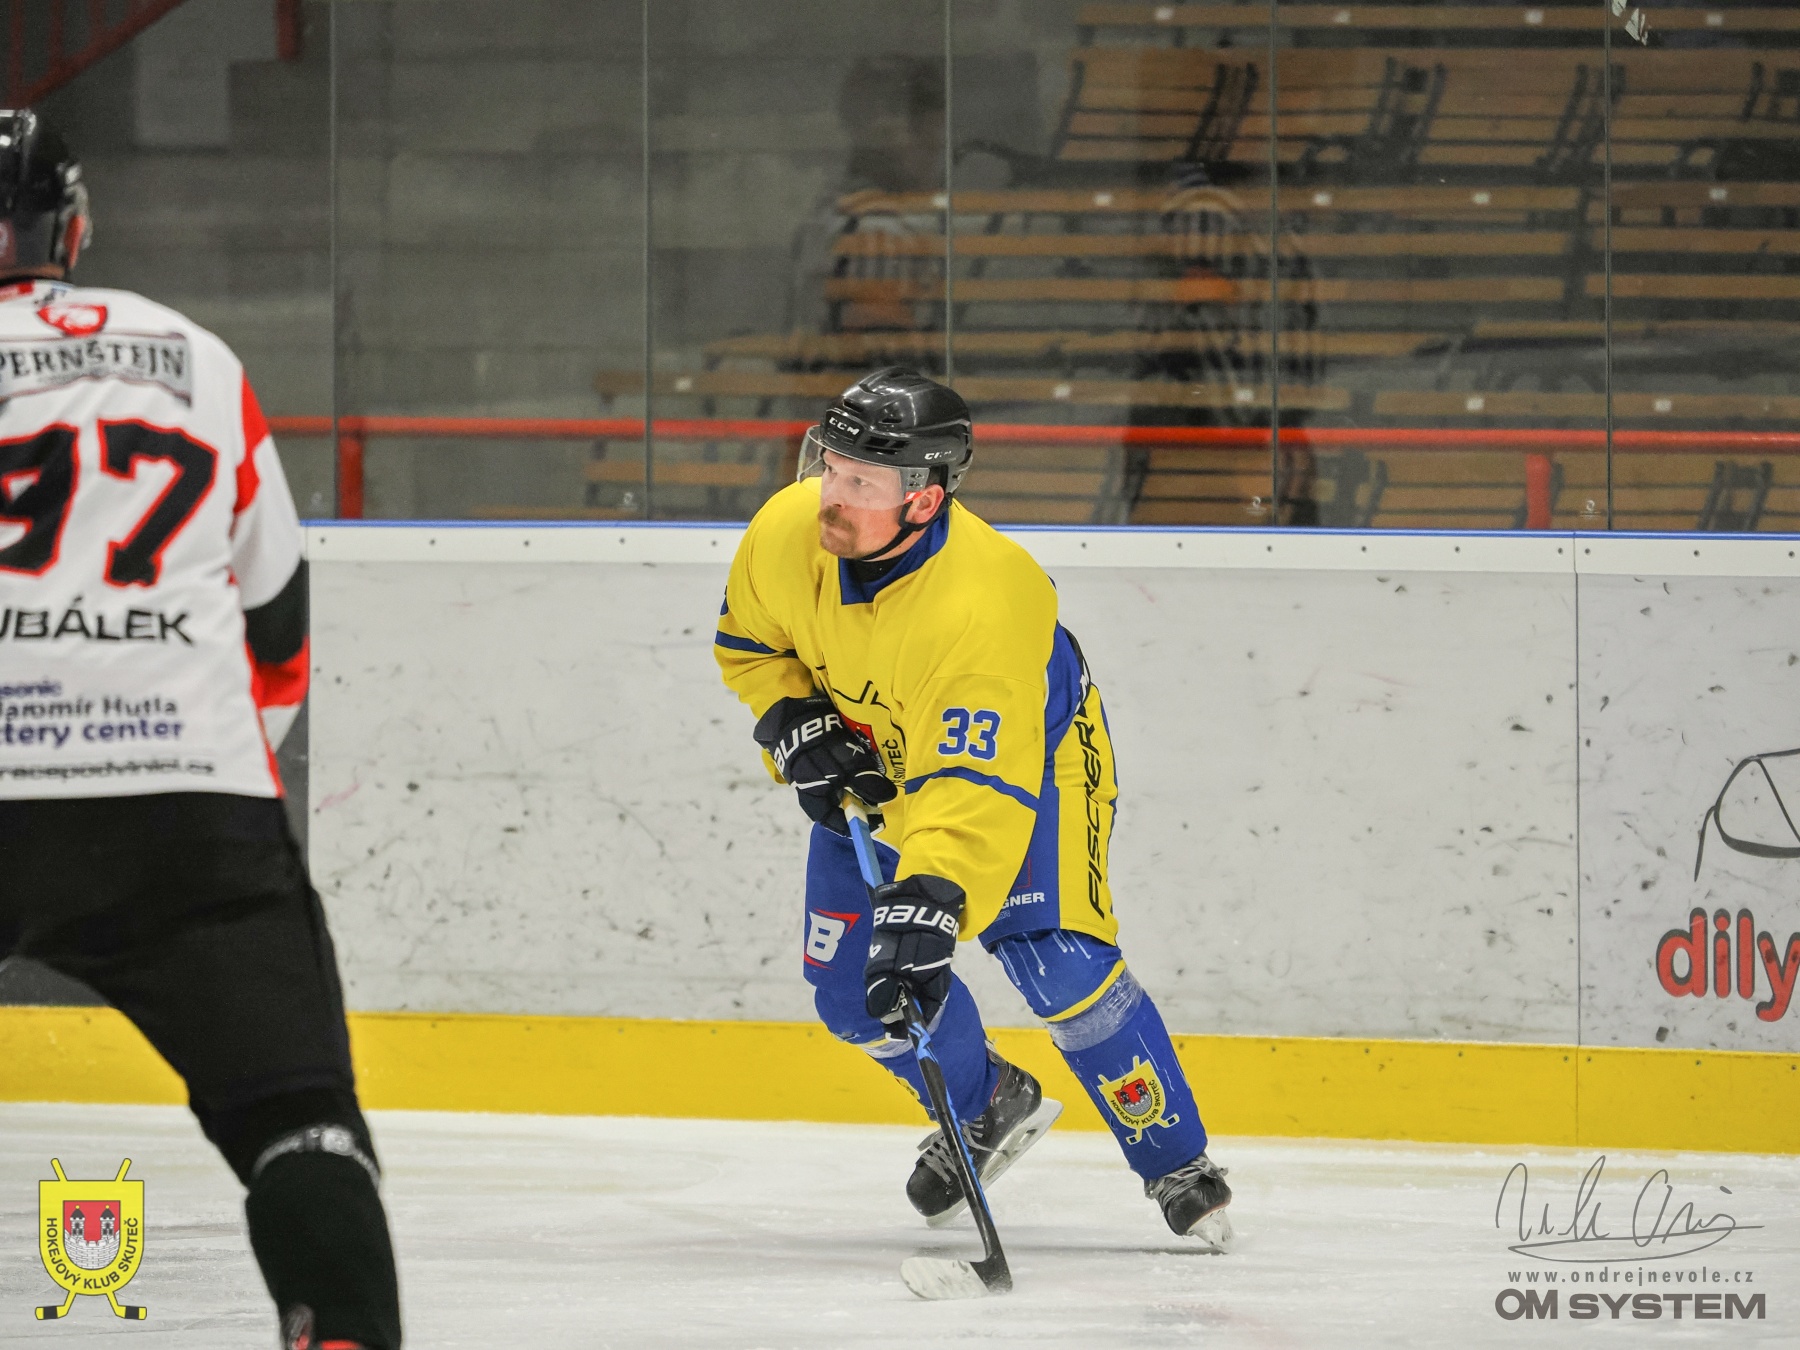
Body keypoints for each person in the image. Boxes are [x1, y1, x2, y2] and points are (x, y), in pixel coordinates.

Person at [0, 110, 401, 1350]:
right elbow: (275, 611)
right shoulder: (194, 355)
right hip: (185, 801)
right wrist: (222, 769)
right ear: (72, 230)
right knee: (301, 1126)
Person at [714, 366, 1231, 1241]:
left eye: (862, 483)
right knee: (854, 994)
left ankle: (1176, 1161)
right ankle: (987, 1103)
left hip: (1028, 768)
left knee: (1058, 965)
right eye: (830, 466)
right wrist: (794, 718)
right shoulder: (787, 529)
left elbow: (975, 788)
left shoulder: (986, 599)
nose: (830, 496)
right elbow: (750, 645)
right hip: (882, 766)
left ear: (924, 499)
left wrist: (933, 897)